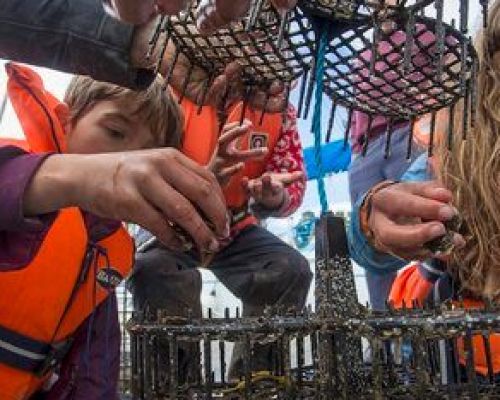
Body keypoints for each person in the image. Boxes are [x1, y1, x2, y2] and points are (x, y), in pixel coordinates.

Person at [0, 62, 200, 399]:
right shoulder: (14, 171)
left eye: (146, 152)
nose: (127, 158)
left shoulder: (109, 247)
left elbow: (96, 368)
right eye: (115, 132)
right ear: (66, 122)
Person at [349, 0, 500, 377]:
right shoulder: (455, 145)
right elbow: (367, 242)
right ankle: (385, 347)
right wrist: (370, 223)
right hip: (474, 352)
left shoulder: (430, 36)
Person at [128, 92, 312, 381]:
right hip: (171, 221)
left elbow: (292, 178)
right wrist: (199, 180)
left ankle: (254, 382)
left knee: (290, 270)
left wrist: (273, 198)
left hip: (236, 224)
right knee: (152, 270)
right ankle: (176, 385)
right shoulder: (165, 95)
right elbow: (136, 163)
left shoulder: (281, 112)